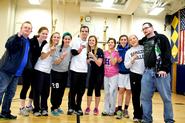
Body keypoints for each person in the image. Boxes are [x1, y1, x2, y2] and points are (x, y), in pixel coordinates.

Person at [140, 22, 174, 123]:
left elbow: (167, 53)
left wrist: (164, 68)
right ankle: (147, 120)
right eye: (143, 29)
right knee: (145, 98)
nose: (145, 30)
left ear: (152, 28)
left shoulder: (161, 38)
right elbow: (135, 42)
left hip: (161, 72)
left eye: (146, 28)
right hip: (147, 72)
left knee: (166, 98)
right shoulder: (144, 40)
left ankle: (169, 120)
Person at [0, 21, 32, 119]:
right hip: (6, 71)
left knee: (10, 93)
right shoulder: (16, 38)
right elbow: (9, 45)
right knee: (0, 91)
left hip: (17, 73)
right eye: (25, 27)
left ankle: (5, 112)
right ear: (21, 28)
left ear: (31, 30)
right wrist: (17, 37)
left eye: (29, 28)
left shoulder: (28, 41)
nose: (27, 29)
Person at [19, 26, 48, 116]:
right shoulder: (31, 41)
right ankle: (21, 107)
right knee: (25, 87)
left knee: (34, 88)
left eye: (46, 34)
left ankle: (29, 105)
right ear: (39, 33)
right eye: (43, 33)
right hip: (28, 69)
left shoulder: (45, 43)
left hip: (37, 69)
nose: (44, 35)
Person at [33, 32, 60, 116]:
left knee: (46, 91)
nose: (56, 38)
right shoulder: (47, 45)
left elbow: (55, 62)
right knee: (37, 91)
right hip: (39, 70)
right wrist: (50, 51)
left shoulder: (57, 48)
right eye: (55, 37)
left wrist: (61, 58)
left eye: (58, 37)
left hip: (47, 72)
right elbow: (42, 57)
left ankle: (44, 108)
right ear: (52, 38)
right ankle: (36, 109)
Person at [67, 25, 89, 116]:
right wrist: (79, 50)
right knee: (73, 90)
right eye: (83, 31)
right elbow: (72, 52)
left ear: (88, 33)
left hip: (84, 70)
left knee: (81, 90)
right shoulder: (75, 41)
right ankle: (71, 107)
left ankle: (78, 107)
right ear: (80, 32)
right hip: (74, 69)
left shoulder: (89, 43)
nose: (84, 32)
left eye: (86, 31)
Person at [50, 32, 72, 116]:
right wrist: (61, 57)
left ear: (70, 40)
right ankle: (53, 107)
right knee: (55, 90)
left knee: (61, 91)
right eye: (65, 39)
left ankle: (58, 106)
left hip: (65, 73)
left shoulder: (71, 49)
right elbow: (55, 62)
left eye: (68, 39)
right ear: (63, 39)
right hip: (56, 73)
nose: (67, 40)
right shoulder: (57, 48)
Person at [124, 35, 145, 122]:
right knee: (136, 96)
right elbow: (126, 66)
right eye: (130, 40)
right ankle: (136, 115)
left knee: (145, 96)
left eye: (134, 38)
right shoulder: (129, 52)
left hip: (145, 74)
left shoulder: (144, 47)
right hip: (134, 75)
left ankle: (143, 115)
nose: (132, 40)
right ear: (129, 42)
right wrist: (132, 60)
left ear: (137, 39)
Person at [84, 35, 104, 115]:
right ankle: (88, 107)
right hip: (91, 73)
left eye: (93, 40)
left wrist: (93, 56)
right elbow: (87, 61)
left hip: (99, 73)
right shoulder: (87, 51)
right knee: (89, 90)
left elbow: (99, 64)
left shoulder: (99, 50)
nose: (91, 42)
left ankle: (96, 108)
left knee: (97, 91)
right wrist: (88, 60)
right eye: (90, 40)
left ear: (95, 42)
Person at [102, 38, 119, 116]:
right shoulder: (104, 52)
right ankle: (106, 109)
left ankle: (112, 110)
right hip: (106, 75)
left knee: (112, 92)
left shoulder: (116, 53)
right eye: (109, 42)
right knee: (106, 93)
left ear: (114, 44)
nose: (110, 43)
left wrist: (111, 54)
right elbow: (102, 63)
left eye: (112, 42)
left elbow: (113, 62)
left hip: (114, 75)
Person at [115, 35, 131, 119]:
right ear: (119, 41)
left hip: (129, 74)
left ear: (127, 41)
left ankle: (126, 109)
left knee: (128, 92)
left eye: (125, 39)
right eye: (122, 39)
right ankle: (119, 110)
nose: (123, 41)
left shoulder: (130, 49)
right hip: (121, 73)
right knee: (121, 91)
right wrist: (117, 61)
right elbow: (113, 62)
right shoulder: (117, 50)